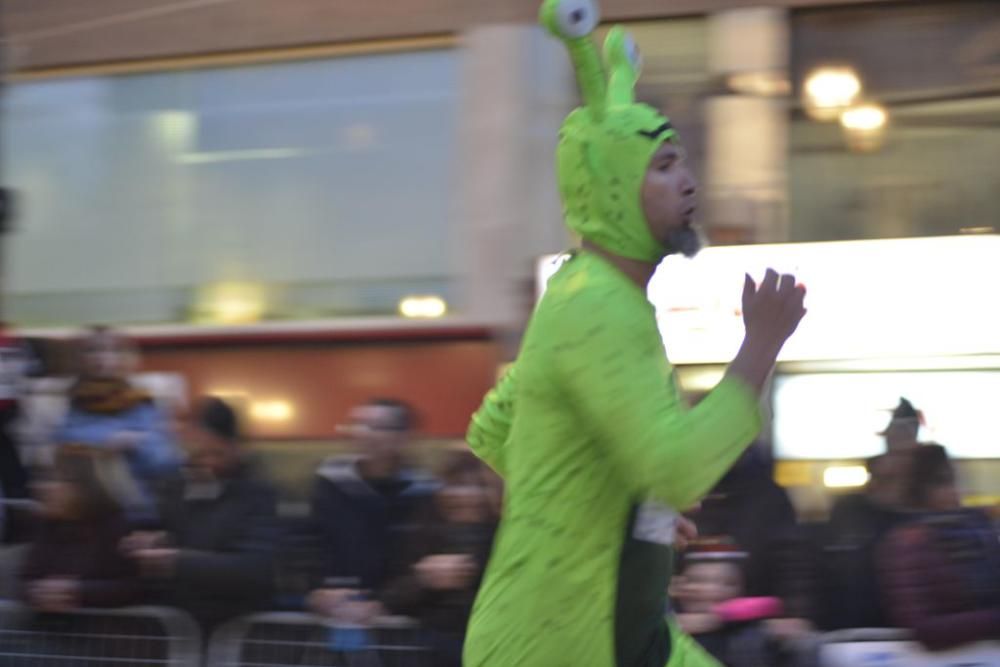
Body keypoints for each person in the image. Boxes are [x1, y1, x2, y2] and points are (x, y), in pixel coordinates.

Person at [461, 2, 807, 665]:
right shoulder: (596, 306)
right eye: (664, 164)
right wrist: (760, 345)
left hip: (611, 630)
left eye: (681, 162)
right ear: (614, 186)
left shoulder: (585, 292)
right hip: (557, 643)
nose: (689, 181)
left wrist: (622, 516)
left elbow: (493, 433)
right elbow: (675, 467)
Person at [121, 397, 278, 632]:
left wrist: (177, 561)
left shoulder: (259, 492)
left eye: (214, 453)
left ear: (233, 446)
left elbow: (257, 569)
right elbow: (170, 532)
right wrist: (152, 541)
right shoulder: (175, 486)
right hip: (176, 625)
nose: (204, 463)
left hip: (236, 626)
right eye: (196, 453)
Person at [307, 399, 436, 616]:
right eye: (356, 424)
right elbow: (312, 541)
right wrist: (316, 591)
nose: (361, 433)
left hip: (401, 610)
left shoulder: (424, 490)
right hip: (335, 604)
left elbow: (421, 560)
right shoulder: (331, 481)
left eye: (375, 427)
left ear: (404, 437)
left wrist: (383, 604)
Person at [379, 450, 499, 666]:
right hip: (433, 649)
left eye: (477, 486)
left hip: (493, 646)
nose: (466, 495)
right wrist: (424, 579)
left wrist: (472, 570)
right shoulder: (423, 533)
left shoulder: (502, 536)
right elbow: (390, 598)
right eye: (456, 485)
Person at [878, 444, 1000, 650]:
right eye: (942, 482)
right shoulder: (907, 544)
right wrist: (993, 620)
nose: (954, 490)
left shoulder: (978, 529)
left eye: (954, 479)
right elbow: (922, 626)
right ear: (920, 490)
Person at [56, 327, 179, 523]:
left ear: (125, 357)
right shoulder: (70, 402)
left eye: (112, 350)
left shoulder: (142, 402)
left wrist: (136, 443)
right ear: (80, 358)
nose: (102, 357)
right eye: (93, 350)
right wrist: (106, 442)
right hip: (85, 512)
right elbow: (64, 443)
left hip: (138, 511)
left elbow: (165, 461)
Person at [20, 446, 141, 612]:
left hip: (103, 629)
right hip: (46, 628)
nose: (41, 487)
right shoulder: (46, 524)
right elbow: (27, 578)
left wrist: (78, 591)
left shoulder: (115, 524)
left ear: (84, 486)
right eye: (40, 478)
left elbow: (132, 587)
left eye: (55, 479)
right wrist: (38, 593)